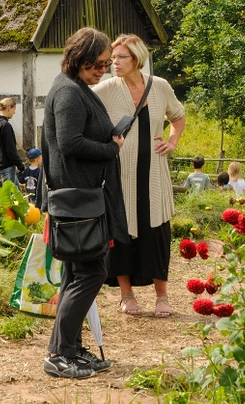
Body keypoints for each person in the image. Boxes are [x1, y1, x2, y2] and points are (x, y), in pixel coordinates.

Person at [41, 27, 126, 379]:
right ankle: (59, 353)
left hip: (82, 198)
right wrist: (111, 148)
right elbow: (71, 142)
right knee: (92, 271)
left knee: (77, 272)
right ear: (79, 59)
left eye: (106, 65)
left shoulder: (77, 88)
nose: (103, 70)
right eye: (98, 64)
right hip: (76, 200)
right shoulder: (68, 93)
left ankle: (71, 349)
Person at [93, 34, 186, 318]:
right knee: (121, 236)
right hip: (120, 177)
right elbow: (82, 114)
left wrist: (172, 142)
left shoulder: (159, 86)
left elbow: (178, 116)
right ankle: (126, 295)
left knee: (156, 234)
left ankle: (162, 296)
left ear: (137, 59)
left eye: (121, 57)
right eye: (113, 57)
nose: (114, 62)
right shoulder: (105, 89)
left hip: (155, 177)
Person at [0, 97, 26, 186]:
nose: (14, 112)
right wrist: (20, 166)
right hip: (6, 165)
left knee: (17, 194)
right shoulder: (5, 125)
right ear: (9, 108)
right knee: (10, 195)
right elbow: (10, 149)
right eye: (14, 109)